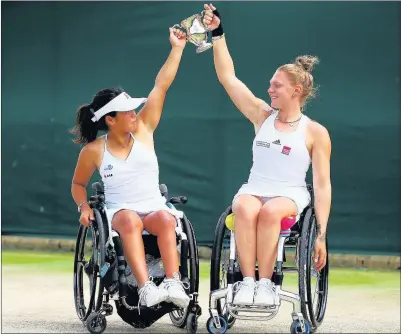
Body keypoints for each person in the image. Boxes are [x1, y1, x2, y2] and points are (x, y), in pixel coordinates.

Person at [202, 4, 332, 307]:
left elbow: (323, 185)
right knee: (243, 207)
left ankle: (267, 283)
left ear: (296, 90)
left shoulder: (315, 132)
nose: (269, 89)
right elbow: (228, 78)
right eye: (271, 85)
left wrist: (321, 234)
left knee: (272, 211)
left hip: (290, 194)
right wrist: (217, 33)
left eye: (277, 86)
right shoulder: (262, 115)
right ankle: (247, 282)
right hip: (255, 187)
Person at [70, 27, 190, 309]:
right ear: (110, 120)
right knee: (129, 220)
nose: (134, 113)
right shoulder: (93, 151)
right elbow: (78, 185)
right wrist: (84, 207)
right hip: (119, 212)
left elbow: (161, 85)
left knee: (166, 220)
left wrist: (177, 49)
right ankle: (146, 288)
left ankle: (173, 283)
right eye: (126, 111)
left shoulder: (144, 129)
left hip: (153, 205)